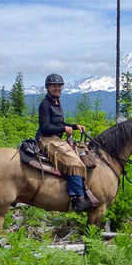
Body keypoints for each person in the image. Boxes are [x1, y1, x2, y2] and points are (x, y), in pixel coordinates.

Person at [36, 73, 92, 212]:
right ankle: (77, 197)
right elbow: (45, 127)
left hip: (56, 138)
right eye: (54, 86)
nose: (57, 88)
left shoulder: (57, 103)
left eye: (59, 85)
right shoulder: (45, 104)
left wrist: (74, 126)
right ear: (48, 88)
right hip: (47, 138)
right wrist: (63, 128)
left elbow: (59, 123)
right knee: (73, 162)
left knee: (83, 152)